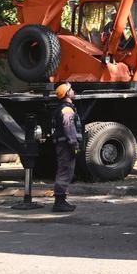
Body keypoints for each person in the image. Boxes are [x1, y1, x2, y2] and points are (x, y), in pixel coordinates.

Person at [53, 83, 83, 213]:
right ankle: (59, 202)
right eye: (71, 90)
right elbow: (68, 127)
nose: (74, 92)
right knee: (64, 171)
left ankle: (62, 200)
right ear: (67, 93)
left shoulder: (64, 108)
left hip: (63, 144)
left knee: (66, 171)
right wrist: (74, 143)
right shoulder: (67, 110)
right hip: (66, 145)